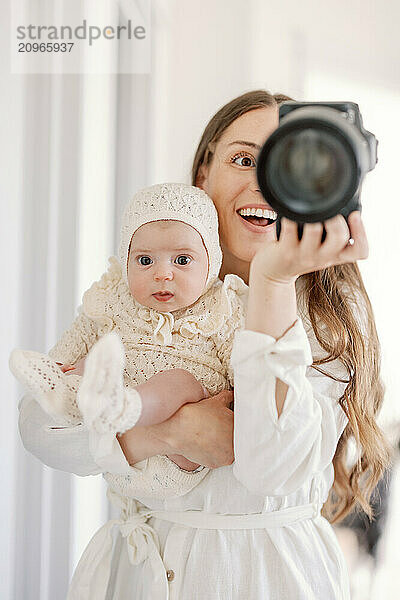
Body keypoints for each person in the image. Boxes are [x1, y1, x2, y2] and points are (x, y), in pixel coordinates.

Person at [17, 90, 392, 600]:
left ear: (323, 185)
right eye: (243, 159)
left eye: (290, 164)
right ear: (202, 176)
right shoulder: (146, 288)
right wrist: (167, 436)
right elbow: (42, 427)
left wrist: (274, 285)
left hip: (267, 580)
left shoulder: (325, 322)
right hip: (140, 575)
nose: (265, 182)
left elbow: (271, 470)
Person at [11, 182, 244, 494]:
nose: (163, 274)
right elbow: (81, 333)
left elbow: (240, 366)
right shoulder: (114, 297)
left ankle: (126, 406)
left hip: (184, 455)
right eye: (145, 261)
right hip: (118, 452)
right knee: (88, 362)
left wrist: (241, 401)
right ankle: (67, 398)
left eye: (182, 260)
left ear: (210, 262)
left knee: (179, 381)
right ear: (126, 260)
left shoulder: (221, 305)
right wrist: (60, 365)